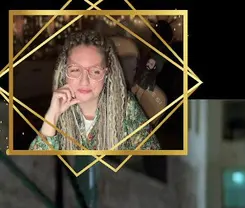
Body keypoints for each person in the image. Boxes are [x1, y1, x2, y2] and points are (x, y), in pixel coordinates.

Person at [29, 30, 160, 151]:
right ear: (64, 72)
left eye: (96, 71)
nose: (84, 81)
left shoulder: (126, 106)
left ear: (107, 74)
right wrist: (51, 117)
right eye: (75, 70)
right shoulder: (57, 109)